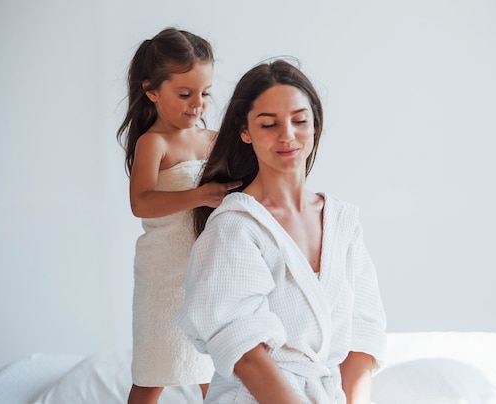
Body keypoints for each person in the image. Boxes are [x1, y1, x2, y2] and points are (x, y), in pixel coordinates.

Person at [175, 59, 387, 403]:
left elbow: (362, 337)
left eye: (300, 120)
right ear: (245, 132)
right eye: (269, 124)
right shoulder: (235, 226)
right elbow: (244, 351)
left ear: (315, 124)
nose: (287, 135)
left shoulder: (343, 223)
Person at [116, 27, 241, 404]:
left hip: (206, 272)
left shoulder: (213, 139)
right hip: (164, 273)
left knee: (215, 373)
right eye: (185, 94)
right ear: (152, 91)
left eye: (205, 93)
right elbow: (141, 202)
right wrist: (200, 194)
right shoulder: (152, 142)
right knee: (155, 370)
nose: (197, 104)